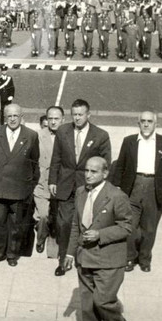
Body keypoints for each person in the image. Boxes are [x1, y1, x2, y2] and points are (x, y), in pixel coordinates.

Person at [66, 156, 133, 321]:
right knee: (87, 306)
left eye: (93, 172)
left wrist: (100, 234)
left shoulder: (116, 196)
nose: (88, 175)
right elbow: (75, 226)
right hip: (84, 258)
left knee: (103, 302)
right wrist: (70, 254)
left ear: (105, 173)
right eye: (86, 171)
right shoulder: (80, 192)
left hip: (108, 260)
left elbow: (127, 226)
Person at [109, 111, 162, 272]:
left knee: (149, 229)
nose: (146, 124)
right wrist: (116, 186)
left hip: (154, 188)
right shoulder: (129, 142)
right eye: (143, 121)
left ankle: (144, 259)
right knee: (129, 227)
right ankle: (130, 258)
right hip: (133, 187)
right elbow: (120, 165)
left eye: (150, 121)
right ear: (138, 123)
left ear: (156, 124)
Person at [49, 99, 113, 276]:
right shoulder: (63, 131)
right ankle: (63, 260)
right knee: (63, 225)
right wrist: (52, 180)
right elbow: (56, 158)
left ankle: (84, 260)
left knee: (87, 224)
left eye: (80, 114)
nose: (77, 118)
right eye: (74, 114)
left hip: (88, 187)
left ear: (88, 115)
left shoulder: (101, 135)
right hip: (65, 185)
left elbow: (106, 165)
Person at [0, 103, 39, 267]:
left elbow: (34, 162)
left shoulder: (31, 135)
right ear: (5, 118)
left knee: (16, 225)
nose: (12, 119)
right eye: (9, 116)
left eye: (16, 116)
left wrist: (28, 187)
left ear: (21, 117)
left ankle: (12, 254)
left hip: (19, 189)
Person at [34, 109, 61, 258]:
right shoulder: (38, 136)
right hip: (42, 182)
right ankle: (40, 238)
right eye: (50, 118)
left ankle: (52, 255)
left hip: (59, 183)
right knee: (44, 215)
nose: (53, 121)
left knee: (56, 220)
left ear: (62, 119)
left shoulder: (67, 135)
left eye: (56, 118)